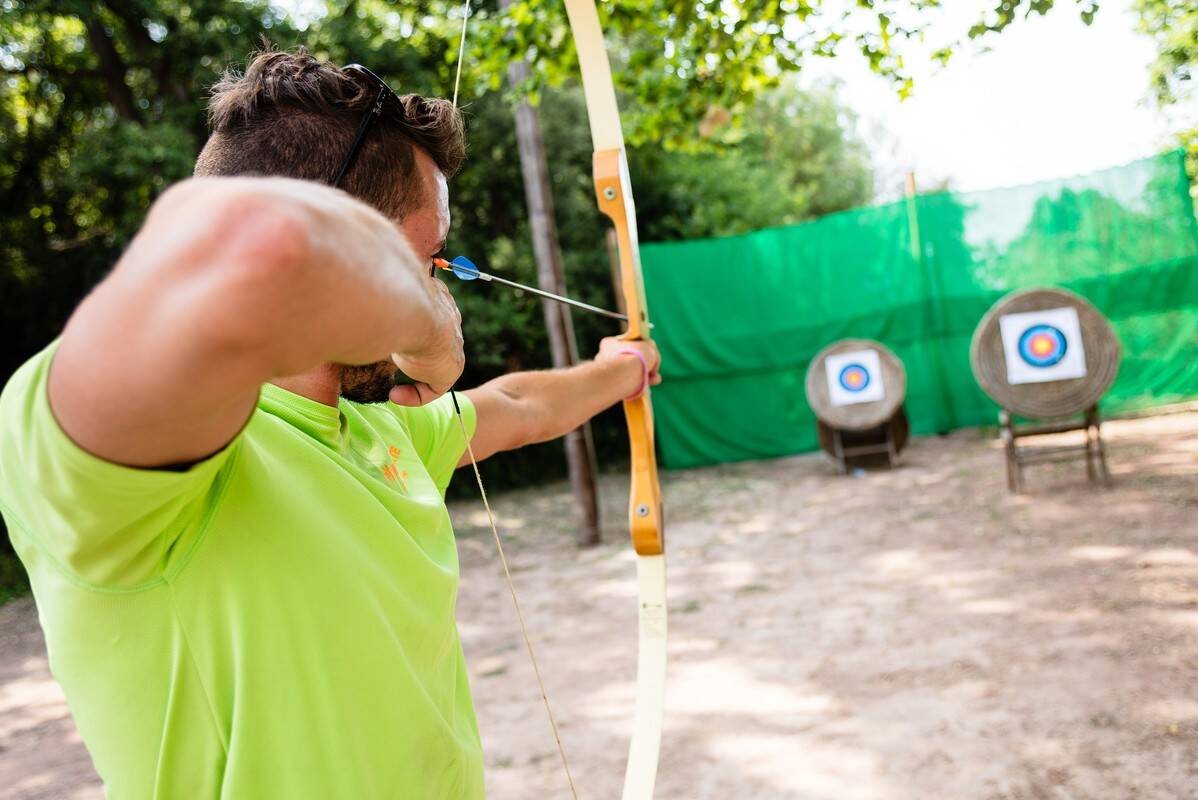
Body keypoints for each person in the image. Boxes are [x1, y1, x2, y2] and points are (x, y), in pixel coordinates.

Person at [0, 48, 660, 799]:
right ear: (353, 237)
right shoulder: (142, 476)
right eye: (431, 256)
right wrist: (423, 325)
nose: (441, 279)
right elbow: (258, 250)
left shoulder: (378, 431)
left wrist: (624, 367)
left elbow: (517, 407)